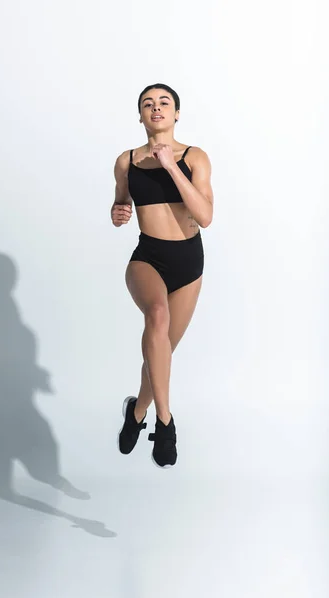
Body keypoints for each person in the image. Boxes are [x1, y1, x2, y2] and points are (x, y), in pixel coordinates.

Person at [111, 83, 213, 468]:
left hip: (189, 263)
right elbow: (121, 203)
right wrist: (118, 212)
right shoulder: (127, 161)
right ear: (140, 115)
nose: (156, 108)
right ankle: (165, 423)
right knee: (157, 316)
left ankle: (136, 410)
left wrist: (171, 164)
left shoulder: (195, 157)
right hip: (148, 257)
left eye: (164, 103)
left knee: (161, 352)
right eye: (147, 104)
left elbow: (204, 216)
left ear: (177, 113)